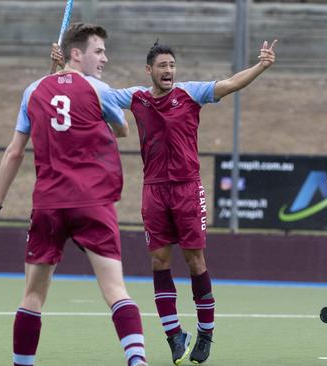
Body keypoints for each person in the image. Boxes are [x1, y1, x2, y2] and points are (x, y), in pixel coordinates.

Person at [0, 23, 147, 366]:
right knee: (115, 291)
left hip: (49, 205)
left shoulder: (33, 91)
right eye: (98, 51)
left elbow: (13, 152)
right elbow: (123, 130)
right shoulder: (98, 89)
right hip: (93, 203)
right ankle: (137, 360)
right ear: (75, 53)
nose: (104, 58)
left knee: (33, 296)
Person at [104, 40, 277, 365]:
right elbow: (97, 93)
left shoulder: (190, 93)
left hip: (186, 189)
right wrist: (63, 68)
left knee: (195, 260)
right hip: (153, 190)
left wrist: (261, 66)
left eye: (171, 65)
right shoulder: (136, 98)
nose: (168, 71)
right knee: (159, 262)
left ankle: (206, 332)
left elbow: (228, 84)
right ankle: (173, 335)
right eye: (162, 66)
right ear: (149, 70)